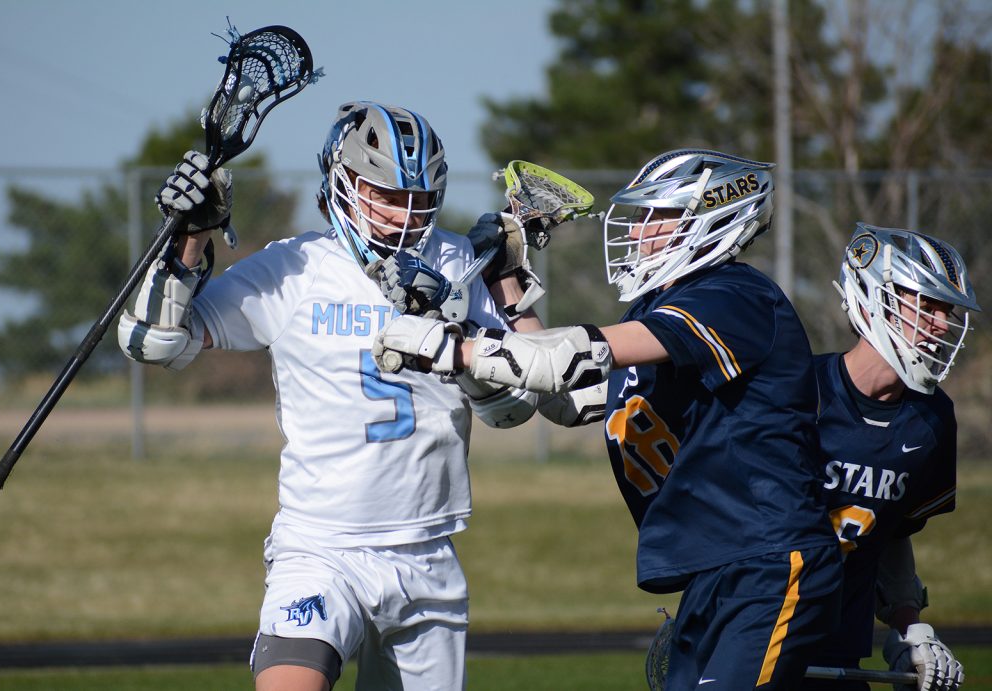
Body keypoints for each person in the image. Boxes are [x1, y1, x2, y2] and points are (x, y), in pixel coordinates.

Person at [374, 148, 845, 689]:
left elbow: (557, 362)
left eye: (657, 218)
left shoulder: (733, 297)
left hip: (768, 557)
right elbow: (562, 396)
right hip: (716, 567)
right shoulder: (656, 314)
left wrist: (452, 349)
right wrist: (506, 279)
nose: (640, 232)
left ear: (715, 220)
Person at [117, 101, 543, 691]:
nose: (405, 215)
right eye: (387, 196)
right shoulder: (295, 268)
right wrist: (189, 239)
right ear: (342, 184)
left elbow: (511, 409)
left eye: (420, 200)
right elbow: (153, 344)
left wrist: (460, 331)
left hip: (427, 551)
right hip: (323, 547)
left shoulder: (457, 262)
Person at [803, 224, 977, 691]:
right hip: (755, 634)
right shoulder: (795, 391)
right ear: (874, 297)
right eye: (929, 305)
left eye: (948, 310)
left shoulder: (932, 419)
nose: (942, 323)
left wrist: (909, 626)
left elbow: (890, 531)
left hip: (839, 644)